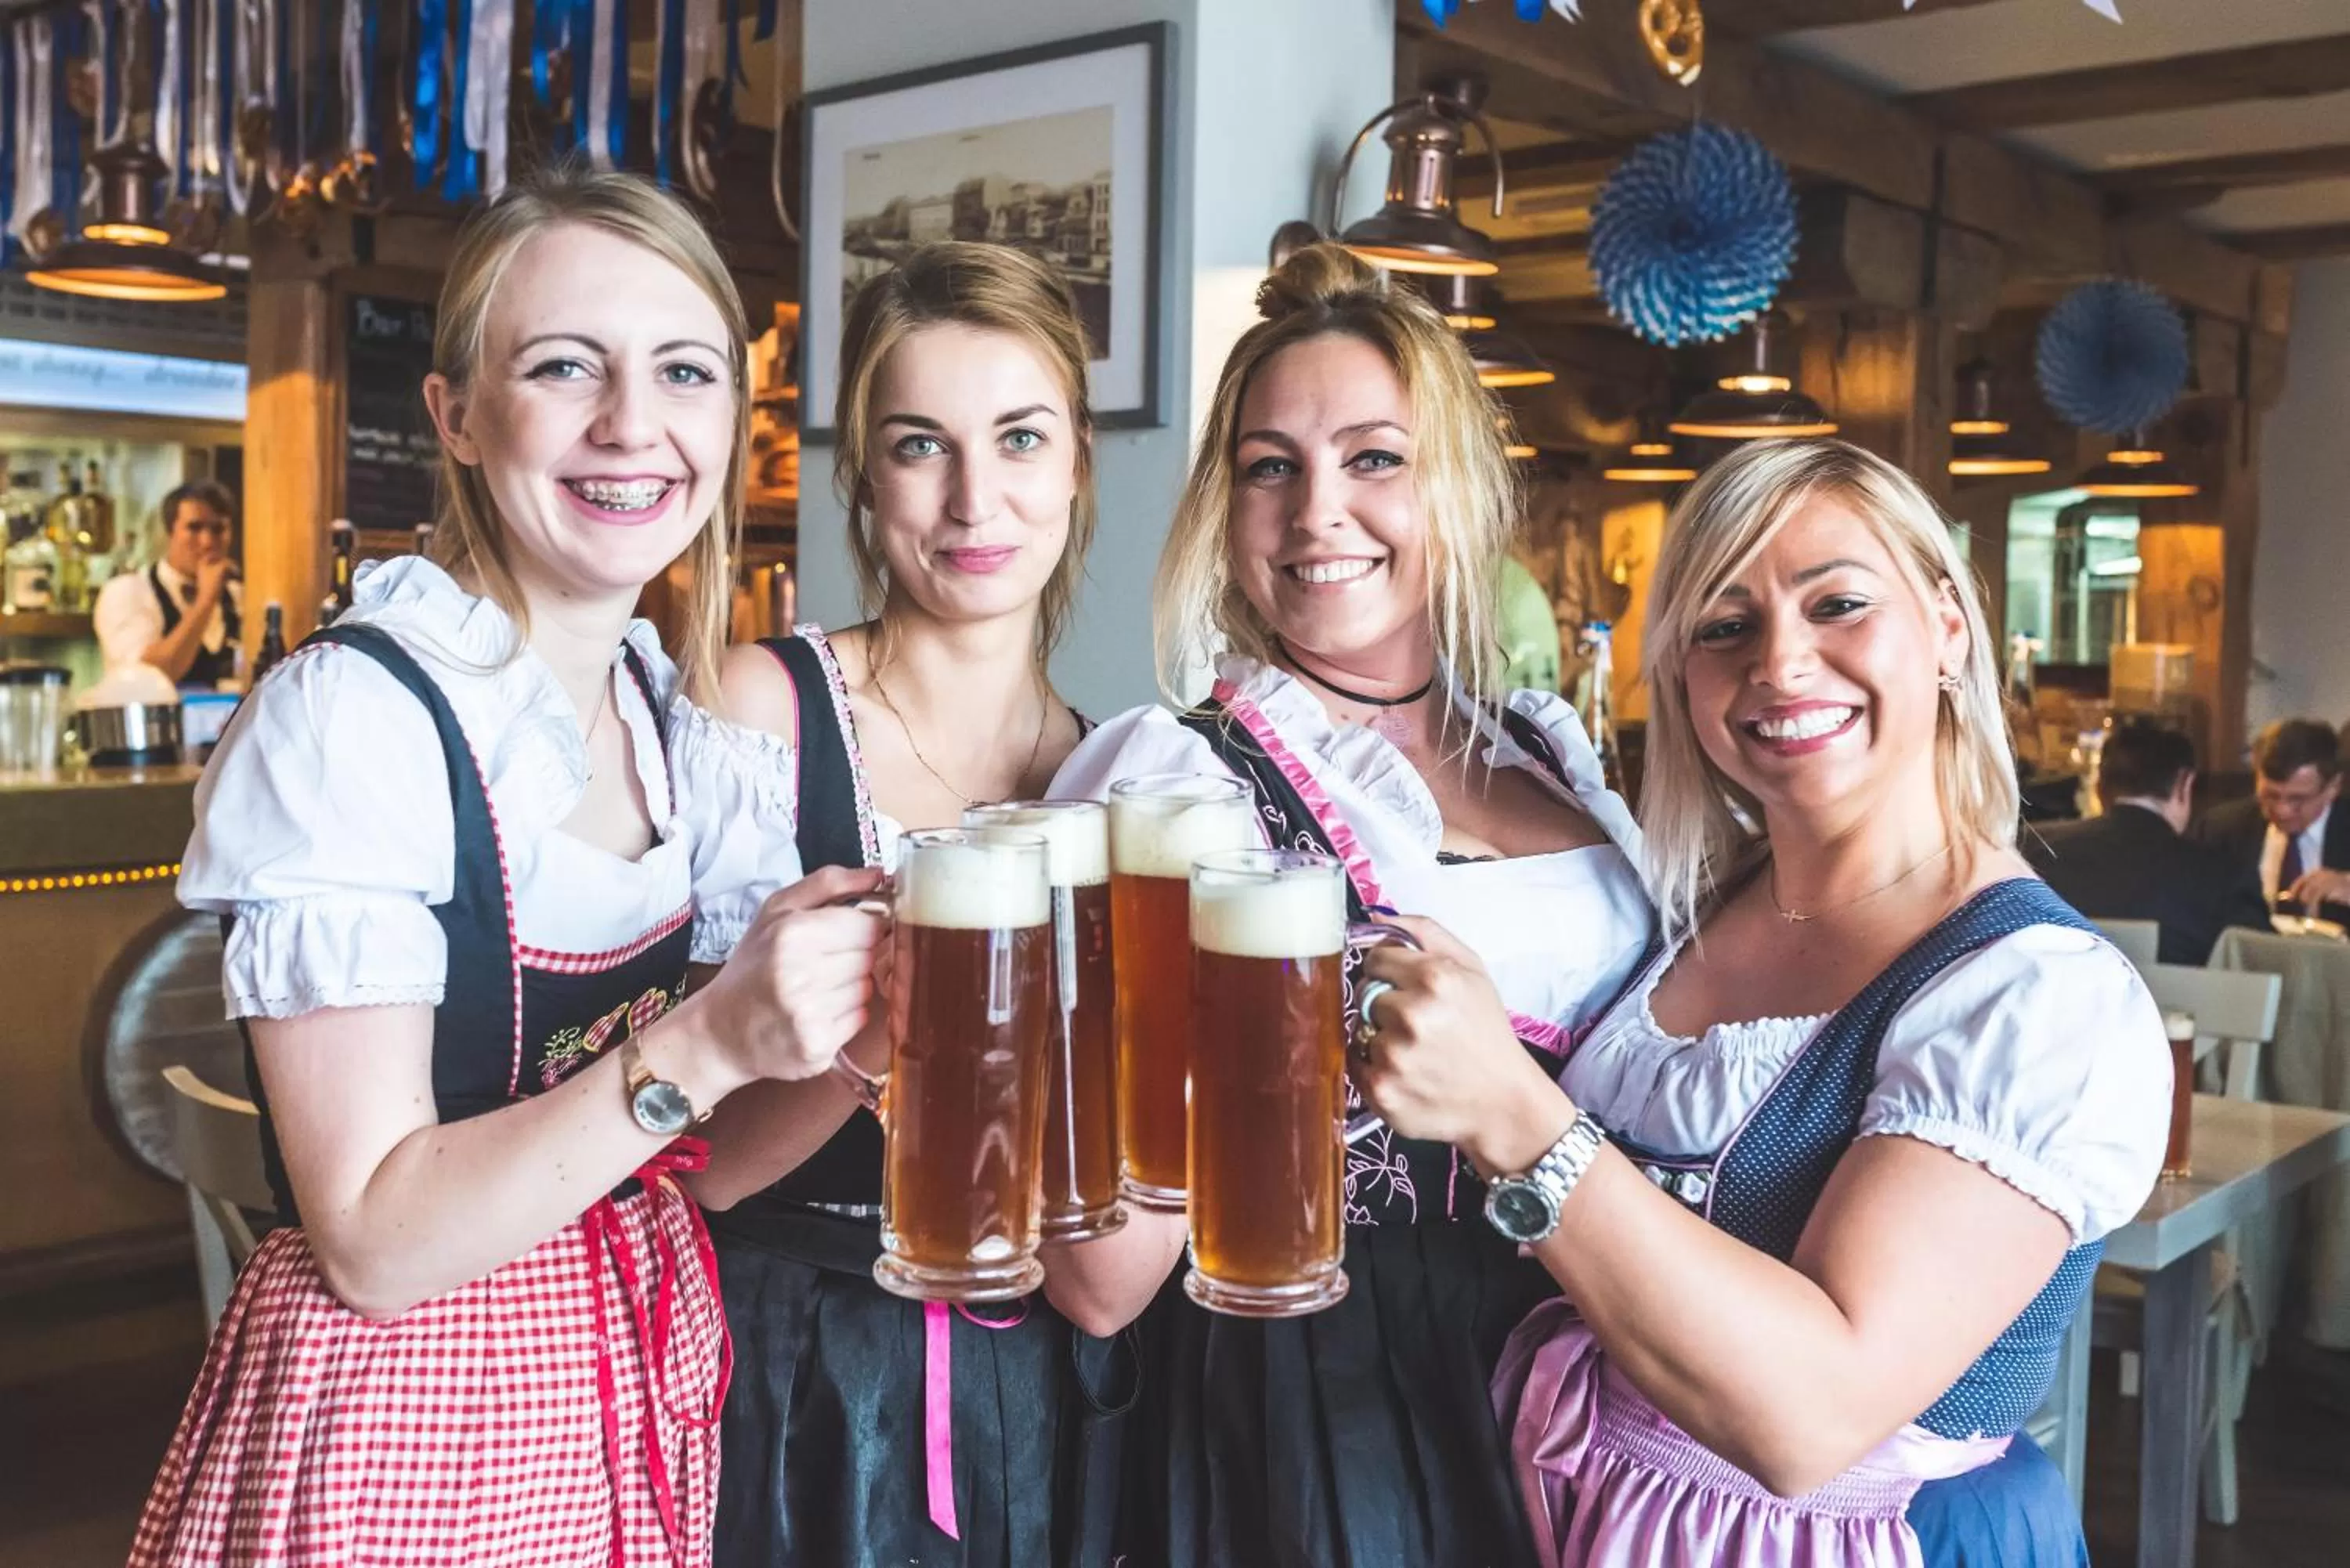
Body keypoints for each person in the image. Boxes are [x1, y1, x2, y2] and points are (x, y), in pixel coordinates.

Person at [128, 168, 884, 1567]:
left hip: (629, 1374)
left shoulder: (674, 728)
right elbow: (373, 1243)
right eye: (562, 367)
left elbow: (701, 1172)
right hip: (409, 1417)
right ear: (456, 417)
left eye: (684, 371)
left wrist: (854, 1039)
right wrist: (708, 1035)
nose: (632, 426)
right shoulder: (359, 719)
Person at [1353, 438, 2170, 1565]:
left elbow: (1810, 1418)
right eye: (1724, 627)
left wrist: (1514, 1115)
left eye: (1837, 602)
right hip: (1584, 1505)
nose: (1782, 663)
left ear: (1946, 626)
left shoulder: (2037, 998)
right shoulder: (1694, 907)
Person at [1047, 243, 1654, 1568]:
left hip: (1606, 1371)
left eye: (1375, 459)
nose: (1319, 511)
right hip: (1327, 1405)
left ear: (1462, 491)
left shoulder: (1556, 753)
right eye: (1273, 467)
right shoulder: (1175, 778)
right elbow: (1098, 1282)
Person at [672, 241, 1112, 1568]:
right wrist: (876, 1033)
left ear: (1077, 460)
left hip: (1038, 1366)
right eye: (922, 444)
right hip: (788, 1355)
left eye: (1020, 438)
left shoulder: (1110, 769)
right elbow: (694, 1172)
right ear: (862, 473)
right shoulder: (761, 712)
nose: (977, 498)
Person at [2025, 720, 2271, 963]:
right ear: (2184, 785)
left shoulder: (2033, 852)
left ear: (2099, 788)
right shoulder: (2224, 876)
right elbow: (2260, 965)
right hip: (2175, 1003)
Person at [2194, 718, 2350, 926]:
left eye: (2298, 799)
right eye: (2270, 795)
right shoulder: (2219, 829)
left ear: (2334, 787)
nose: (2282, 811)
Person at [92, 479, 244, 688]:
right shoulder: (127, 592)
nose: (208, 542)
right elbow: (149, 677)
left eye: (218, 529)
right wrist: (205, 600)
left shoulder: (238, 597)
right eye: (194, 528)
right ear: (169, 532)